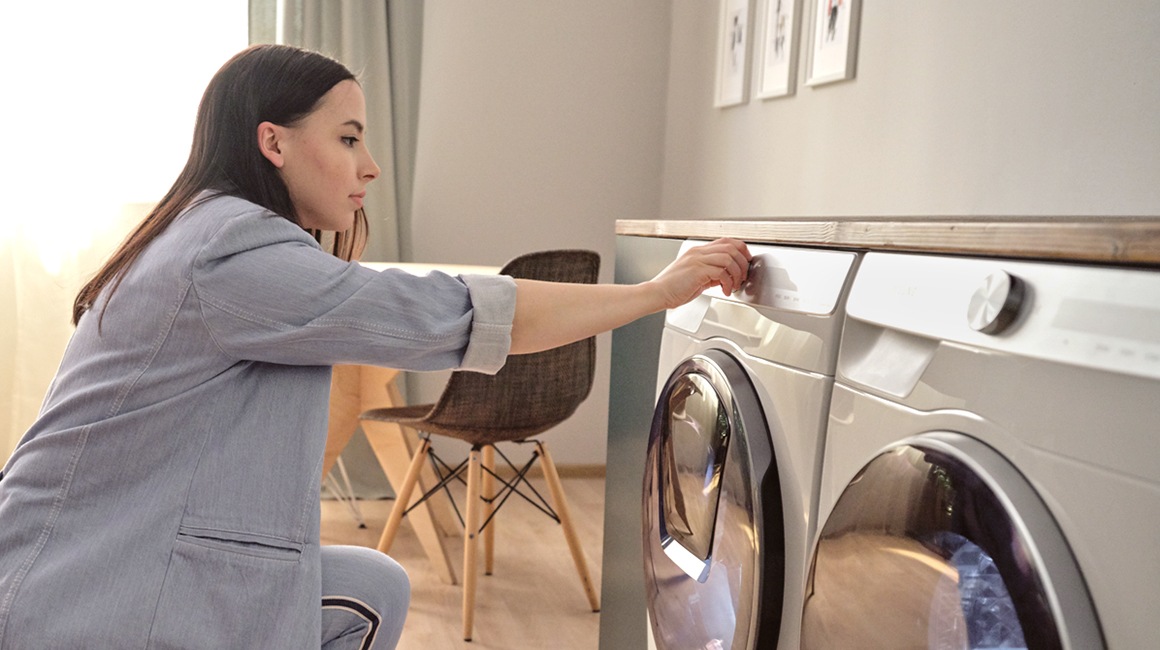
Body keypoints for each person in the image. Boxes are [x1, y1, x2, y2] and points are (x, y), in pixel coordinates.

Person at [0, 44, 750, 649]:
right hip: (94, 581)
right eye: (349, 138)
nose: (370, 165)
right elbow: (461, 315)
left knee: (374, 585)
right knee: (366, 594)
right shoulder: (231, 251)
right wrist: (655, 293)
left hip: (93, 551)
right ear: (273, 142)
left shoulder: (207, 230)